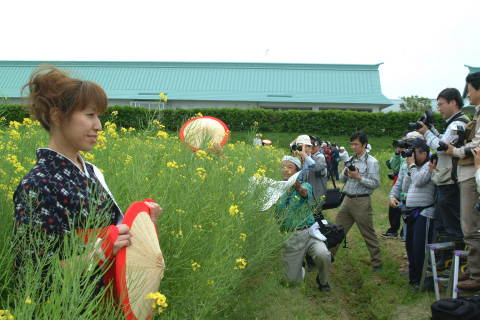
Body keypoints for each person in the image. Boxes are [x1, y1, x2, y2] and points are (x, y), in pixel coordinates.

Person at [12, 66, 162, 297]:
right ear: (57, 116)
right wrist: (100, 252)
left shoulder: (89, 171)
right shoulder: (39, 184)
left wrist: (142, 224)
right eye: (90, 115)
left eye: (98, 117)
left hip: (105, 300)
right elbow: (32, 275)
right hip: (68, 307)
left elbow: (112, 236)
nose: (98, 126)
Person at [416, 88, 467, 242]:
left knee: (451, 224)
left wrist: (426, 132)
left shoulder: (458, 123)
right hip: (445, 179)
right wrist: (430, 129)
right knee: (442, 223)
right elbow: (443, 139)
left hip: (451, 181)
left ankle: (455, 259)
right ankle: (444, 258)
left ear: (453, 102)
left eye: (440, 104)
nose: (438, 109)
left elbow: (441, 146)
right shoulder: (452, 123)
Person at [444, 73, 480, 290]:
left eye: (470, 89)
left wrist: (454, 151)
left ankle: (476, 274)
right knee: (469, 226)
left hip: (472, 176)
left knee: (471, 227)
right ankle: (473, 268)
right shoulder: (476, 113)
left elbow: (476, 146)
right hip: (468, 174)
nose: (468, 93)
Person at [275, 156, 331, 291]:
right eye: (284, 166)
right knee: (290, 282)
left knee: (323, 254)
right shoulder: (277, 189)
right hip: (291, 237)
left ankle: (323, 281)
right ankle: (300, 268)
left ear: (297, 171)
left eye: (290, 167)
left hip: (309, 233)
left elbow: (305, 193)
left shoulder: (305, 185)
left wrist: (298, 186)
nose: (286, 170)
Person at [333, 131, 382, 270]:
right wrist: (346, 171)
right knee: (337, 230)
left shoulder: (372, 162)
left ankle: (376, 262)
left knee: (368, 233)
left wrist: (359, 177)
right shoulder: (351, 160)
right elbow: (341, 179)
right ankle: (328, 256)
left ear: (364, 145)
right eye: (352, 144)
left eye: (356, 144)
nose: (353, 147)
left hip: (362, 201)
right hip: (347, 200)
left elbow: (375, 183)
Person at [390, 139, 435, 288]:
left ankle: (422, 279)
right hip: (411, 212)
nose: (411, 156)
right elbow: (406, 185)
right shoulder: (413, 166)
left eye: (414, 153)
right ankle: (414, 279)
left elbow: (419, 181)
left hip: (425, 212)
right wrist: (409, 167)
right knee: (410, 246)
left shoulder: (430, 165)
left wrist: (411, 165)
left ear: (424, 153)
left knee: (419, 248)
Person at [298, 136, 328, 211]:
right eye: (307, 145)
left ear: (318, 146)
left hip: (316, 194)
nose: (309, 146)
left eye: (311, 144)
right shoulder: (303, 157)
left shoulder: (320, 157)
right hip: (304, 192)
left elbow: (316, 167)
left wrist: (305, 155)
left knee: (316, 217)